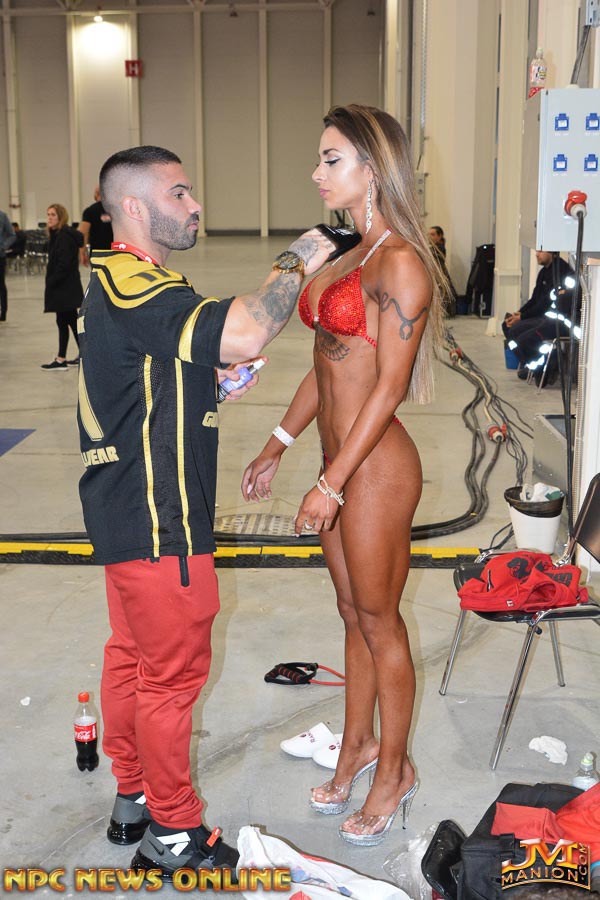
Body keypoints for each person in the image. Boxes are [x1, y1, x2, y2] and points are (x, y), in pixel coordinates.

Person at [76, 145, 333, 880]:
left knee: (133, 658)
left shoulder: (130, 281)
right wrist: (302, 255)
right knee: (172, 678)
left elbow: (137, 381)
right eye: (179, 193)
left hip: (128, 512)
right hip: (160, 517)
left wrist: (206, 386)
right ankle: (175, 832)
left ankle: (133, 794)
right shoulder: (133, 281)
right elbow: (247, 328)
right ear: (133, 207)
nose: (194, 206)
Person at [242, 105, 444, 847]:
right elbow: (327, 364)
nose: (317, 173)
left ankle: (395, 770)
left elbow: (387, 387)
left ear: (373, 167)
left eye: (332, 160)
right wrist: (278, 442)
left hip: (376, 469)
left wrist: (331, 484)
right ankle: (356, 744)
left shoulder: (399, 263)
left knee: (381, 621)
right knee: (353, 613)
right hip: (338, 460)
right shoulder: (349, 254)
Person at [502, 250, 576, 384]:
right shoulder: (543, 272)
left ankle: (543, 365)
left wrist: (522, 317)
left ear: (552, 251)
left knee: (522, 336)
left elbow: (544, 304)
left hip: (553, 320)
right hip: (542, 317)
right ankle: (530, 364)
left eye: (541, 251)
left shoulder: (560, 271)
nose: (537, 254)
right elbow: (534, 299)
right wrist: (518, 314)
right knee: (508, 328)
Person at [41, 204, 84, 370]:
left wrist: (52, 281)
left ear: (61, 217)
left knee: (66, 322)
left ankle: (63, 359)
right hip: (65, 286)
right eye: (48, 214)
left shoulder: (64, 236)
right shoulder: (58, 235)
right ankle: (72, 357)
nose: (49, 218)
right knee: (68, 321)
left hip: (64, 287)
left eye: (53, 215)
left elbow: (64, 263)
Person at [78, 185, 114, 266]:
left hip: (97, 254)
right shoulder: (116, 210)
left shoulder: (89, 211)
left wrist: (82, 253)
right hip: (116, 253)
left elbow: (83, 233)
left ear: (96, 194)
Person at [429, 225, 457, 317]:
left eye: (433, 234)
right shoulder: (433, 247)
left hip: (439, 274)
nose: (430, 237)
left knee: (442, 292)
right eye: (429, 234)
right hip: (435, 273)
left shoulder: (440, 248)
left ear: (439, 236)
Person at [0, 208, 16, 321]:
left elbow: (12, 235)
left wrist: (3, 246)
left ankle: (3, 312)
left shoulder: (2, 216)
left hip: (0, 256)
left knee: (1, 285)